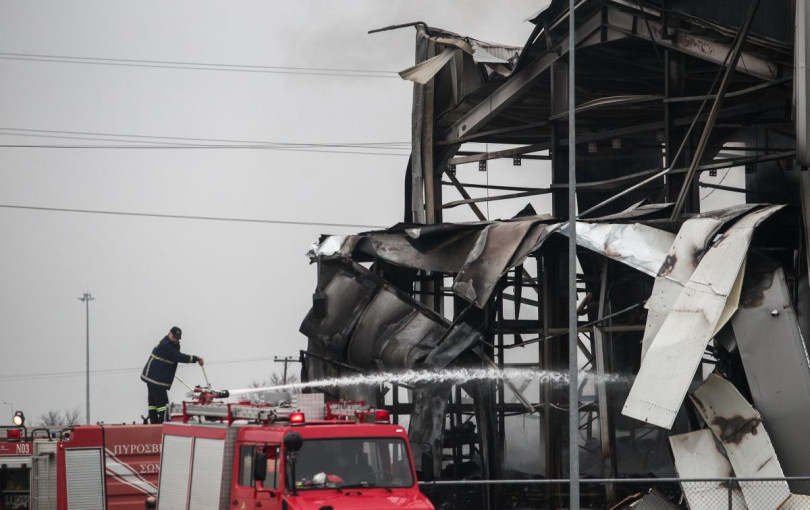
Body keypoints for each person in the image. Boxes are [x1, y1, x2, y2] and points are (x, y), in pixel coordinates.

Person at [140, 326, 204, 424]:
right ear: (169, 334)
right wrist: (196, 358)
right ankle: (162, 425)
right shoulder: (166, 345)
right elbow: (179, 357)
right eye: (174, 337)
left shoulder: (170, 344)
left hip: (152, 377)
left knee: (153, 403)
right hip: (156, 379)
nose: (176, 340)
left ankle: (154, 424)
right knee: (163, 406)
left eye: (178, 338)